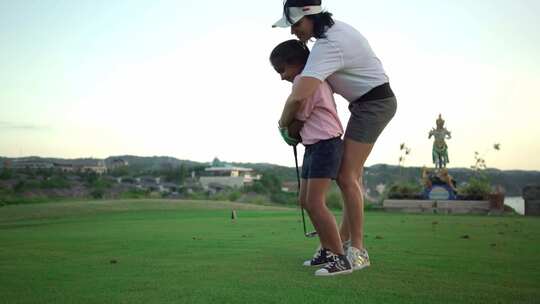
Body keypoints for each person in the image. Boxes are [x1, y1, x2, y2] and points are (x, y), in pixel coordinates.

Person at [273, 0, 397, 271]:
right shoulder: (333, 32)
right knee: (350, 175)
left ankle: (357, 251)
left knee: (346, 176)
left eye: (295, 25)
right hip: (364, 104)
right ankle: (336, 245)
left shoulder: (328, 45)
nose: (293, 32)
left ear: (309, 16)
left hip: (374, 104)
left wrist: (283, 127)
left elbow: (298, 97)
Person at [271, 39, 352, 276]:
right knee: (305, 200)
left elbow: (297, 119)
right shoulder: (304, 81)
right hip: (314, 146)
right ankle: (328, 251)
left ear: (296, 63)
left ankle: (339, 258)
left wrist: (285, 129)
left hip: (326, 144)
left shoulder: (306, 82)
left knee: (315, 202)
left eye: (282, 70)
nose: (281, 76)